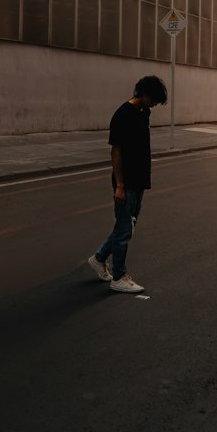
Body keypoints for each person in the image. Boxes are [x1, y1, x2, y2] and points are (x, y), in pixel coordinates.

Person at [87, 74, 168, 294]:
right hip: (127, 183)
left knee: (127, 226)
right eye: (154, 99)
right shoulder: (123, 114)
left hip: (140, 181)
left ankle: (99, 258)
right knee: (124, 230)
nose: (155, 104)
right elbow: (116, 151)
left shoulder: (144, 112)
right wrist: (120, 185)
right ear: (144, 93)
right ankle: (119, 276)